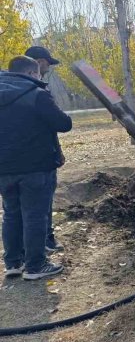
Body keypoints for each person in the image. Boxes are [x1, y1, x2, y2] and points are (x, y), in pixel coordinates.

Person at [0, 56, 72, 280]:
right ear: (32, 74)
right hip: (36, 168)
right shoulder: (36, 95)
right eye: (39, 75)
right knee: (34, 216)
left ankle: (13, 263)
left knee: (11, 214)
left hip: (4, 168)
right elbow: (64, 124)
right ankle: (35, 265)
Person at [25, 45, 63, 252]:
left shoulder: (5, 90)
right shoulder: (38, 91)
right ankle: (45, 242)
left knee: (13, 210)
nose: (48, 68)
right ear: (39, 62)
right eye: (47, 63)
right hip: (38, 160)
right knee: (41, 204)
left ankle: (15, 258)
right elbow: (59, 123)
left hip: (8, 163)